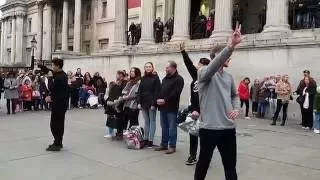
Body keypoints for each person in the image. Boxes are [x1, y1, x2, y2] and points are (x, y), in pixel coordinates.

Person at [194, 24, 242, 180]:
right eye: (226, 55)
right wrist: (230, 46)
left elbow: (235, 95)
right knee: (203, 163)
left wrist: (236, 108)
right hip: (209, 128)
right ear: (217, 56)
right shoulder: (203, 72)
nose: (229, 57)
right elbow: (212, 67)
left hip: (228, 128)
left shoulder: (228, 77)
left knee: (230, 166)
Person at [180, 42, 211, 165]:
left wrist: (199, 110)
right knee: (193, 133)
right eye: (199, 64)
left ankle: (204, 157)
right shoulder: (195, 76)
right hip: (194, 111)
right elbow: (188, 64)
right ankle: (192, 155)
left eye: (201, 65)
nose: (198, 66)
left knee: (204, 136)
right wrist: (183, 52)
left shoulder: (208, 78)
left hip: (204, 111)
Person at [155, 61, 184, 154]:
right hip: (162, 107)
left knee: (172, 127)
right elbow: (161, 91)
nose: (166, 69)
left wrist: (165, 100)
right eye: (166, 67)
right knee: (164, 127)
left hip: (172, 107)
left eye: (168, 67)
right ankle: (164, 144)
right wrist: (158, 99)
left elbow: (176, 93)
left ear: (174, 68)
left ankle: (172, 146)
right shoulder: (164, 79)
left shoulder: (179, 79)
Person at [45, 58, 69, 151]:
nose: (52, 67)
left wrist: (50, 78)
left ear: (58, 66)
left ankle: (58, 143)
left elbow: (52, 88)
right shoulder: (61, 74)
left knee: (55, 125)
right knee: (57, 124)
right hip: (59, 103)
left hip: (59, 104)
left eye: (53, 65)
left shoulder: (60, 77)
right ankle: (58, 142)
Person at [138, 62, 161, 148]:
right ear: (144, 68)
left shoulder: (156, 78)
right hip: (143, 102)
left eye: (149, 67)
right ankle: (145, 139)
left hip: (151, 103)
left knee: (152, 121)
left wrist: (154, 104)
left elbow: (157, 92)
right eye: (146, 67)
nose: (148, 68)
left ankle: (151, 140)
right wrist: (139, 102)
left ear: (152, 68)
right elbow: (139, 91)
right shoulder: (143, 78)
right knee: (146, 121)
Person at [104, 71, 127, 139]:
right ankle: (114, 132)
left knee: (120, 118)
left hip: (119, 103)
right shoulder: (115, 83)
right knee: (112, 118)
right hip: (112, 102)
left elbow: (122, 94)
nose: (117, 76)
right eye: (117, 75)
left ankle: (119, 133)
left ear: (121, 76)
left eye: (118, 75)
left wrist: (117, 102)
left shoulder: (124, 83)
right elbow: (111, 93)